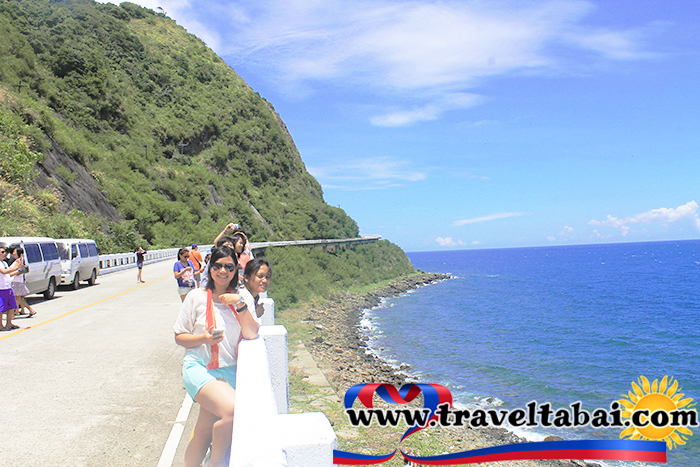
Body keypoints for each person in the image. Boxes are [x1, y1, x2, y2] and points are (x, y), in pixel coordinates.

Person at [173, 246, 261, 467]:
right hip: (200, 367)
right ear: (210, 269)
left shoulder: (243, 298)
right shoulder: (196, 297)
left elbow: (251, 332)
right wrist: (203, 338)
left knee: (203, 432)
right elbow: (179, 336)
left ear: (235, 270)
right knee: (231, 411)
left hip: (229, 370)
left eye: (229, 267)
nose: (223, 271)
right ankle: (217, 463)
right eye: (218, 266)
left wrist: (239, 304)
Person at [238, 257, 272, 321]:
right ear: (246, 277)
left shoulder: (255, 297)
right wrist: (255, 314)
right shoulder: (241, 296)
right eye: (260, 276)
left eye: (267, 277)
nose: (265, 280)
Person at [10, 247, 36, 318]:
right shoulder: (21, 260)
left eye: (15, 252)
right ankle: (30, 309)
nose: (13, 253)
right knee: (18, 298)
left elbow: (13, 270)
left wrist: (6, 269)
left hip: (15, 281)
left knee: (13, 298)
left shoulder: (18, 261)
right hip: (18, 281)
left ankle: (12, 314)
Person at [0, 246, 20, 331]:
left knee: (11, 306)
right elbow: (4, 272)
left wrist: (19, 270)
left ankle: (9, 323)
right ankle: (0, 325)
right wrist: (16, 267)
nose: (5, 254)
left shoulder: (4, 263)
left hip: (8, 287)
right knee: (1, 308)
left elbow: (9, 274)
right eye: (2, 252)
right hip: (1, 288)